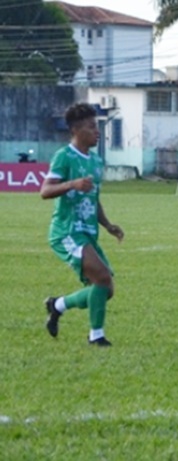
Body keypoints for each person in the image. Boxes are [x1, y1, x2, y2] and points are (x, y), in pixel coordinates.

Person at [41, 103, 124, 347]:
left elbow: (93, 198)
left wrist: (108, 225)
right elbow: (45, 191)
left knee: (105, 289)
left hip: (88, 232)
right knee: (101, 277)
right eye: (91, 127)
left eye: (97, 126)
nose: (97, 132)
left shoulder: (96, 161)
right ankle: (96, 336)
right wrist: (71, 184)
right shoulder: (64, 156)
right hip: (66, 231)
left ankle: (57, 305)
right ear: (76, 130)